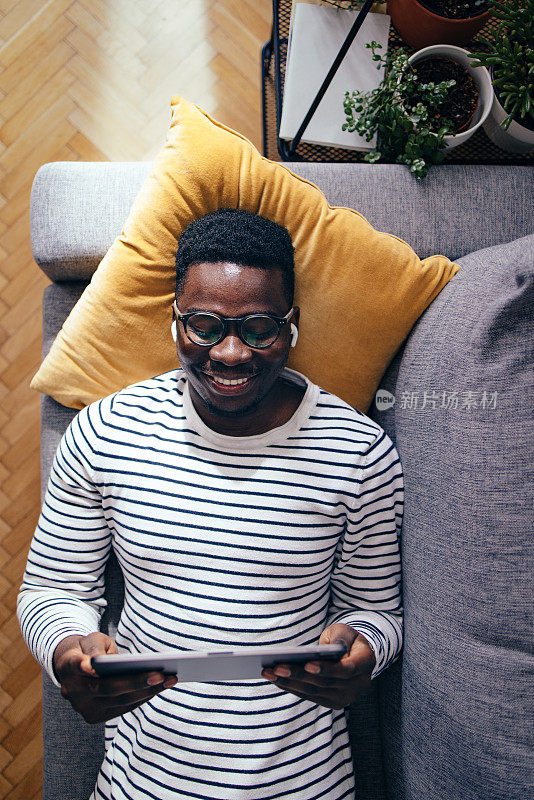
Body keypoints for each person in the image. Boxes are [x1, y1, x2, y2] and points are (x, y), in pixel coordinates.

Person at [18, 209, 404, 800]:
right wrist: (69, 648)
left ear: (292, 325)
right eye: (204, 326)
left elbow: (377, 610)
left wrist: (364, 649)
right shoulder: (105, 433)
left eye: (258, 328)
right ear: (174, 322)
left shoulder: (359, 453)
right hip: (140, 784)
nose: (229, 354)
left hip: (305, 784)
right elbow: (52, 590)